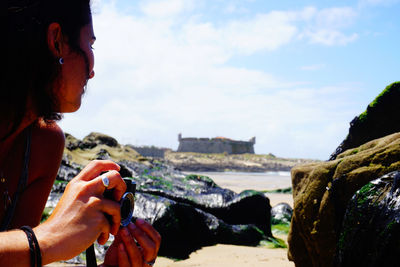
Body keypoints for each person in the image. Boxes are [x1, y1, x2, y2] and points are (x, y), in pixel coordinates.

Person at [1, 0, 161, 266]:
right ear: (57, 41)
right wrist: (45, 240)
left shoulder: (42, 145)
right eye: (91, 44)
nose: (93, 72)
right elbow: (36, 248)